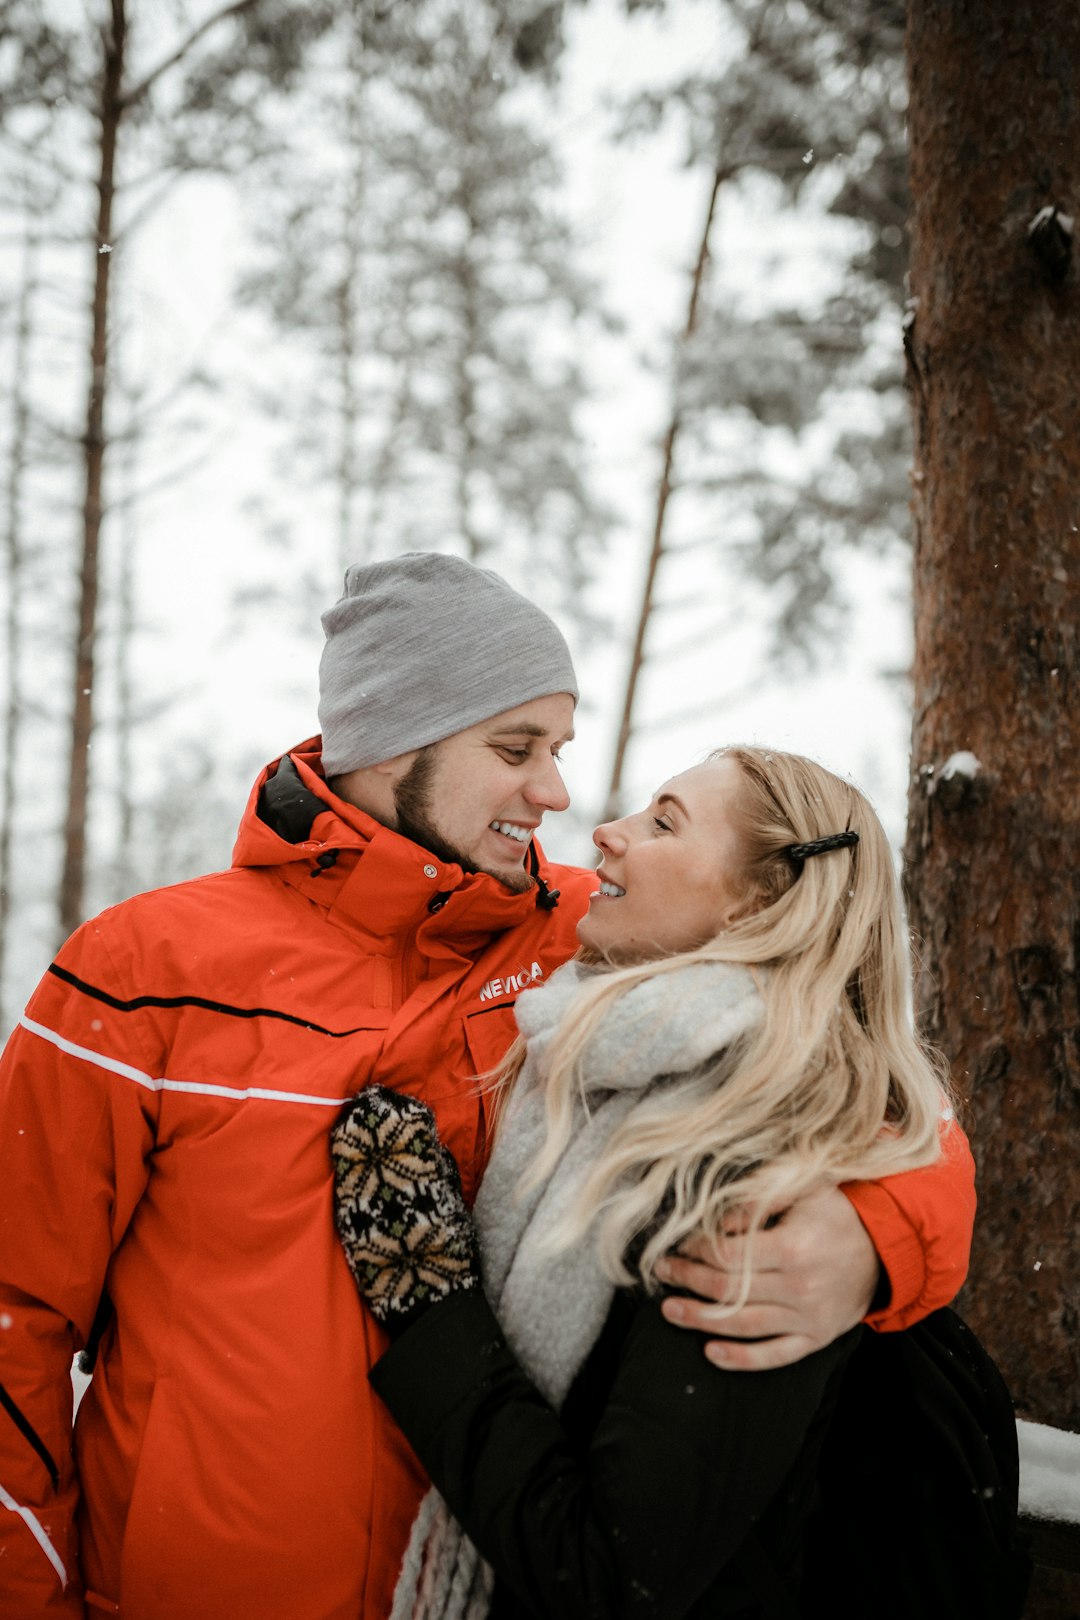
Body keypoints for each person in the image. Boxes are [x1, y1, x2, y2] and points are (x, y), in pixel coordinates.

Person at [0, 555, 973, 1620]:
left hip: (488, 1588)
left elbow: (869, 1081)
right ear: (389, 744)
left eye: (555, 748)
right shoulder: (147, 969)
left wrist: (871, 1237)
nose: (555, 793)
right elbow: (17, 1312)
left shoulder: (594, 938)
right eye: (514, 749)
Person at [332, 744, 974, 1619]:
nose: (604, 832)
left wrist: (432, 1303)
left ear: (758, 901)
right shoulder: (602, 1049)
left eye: (662, 822)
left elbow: (613, 1580)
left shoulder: (759, 1167)